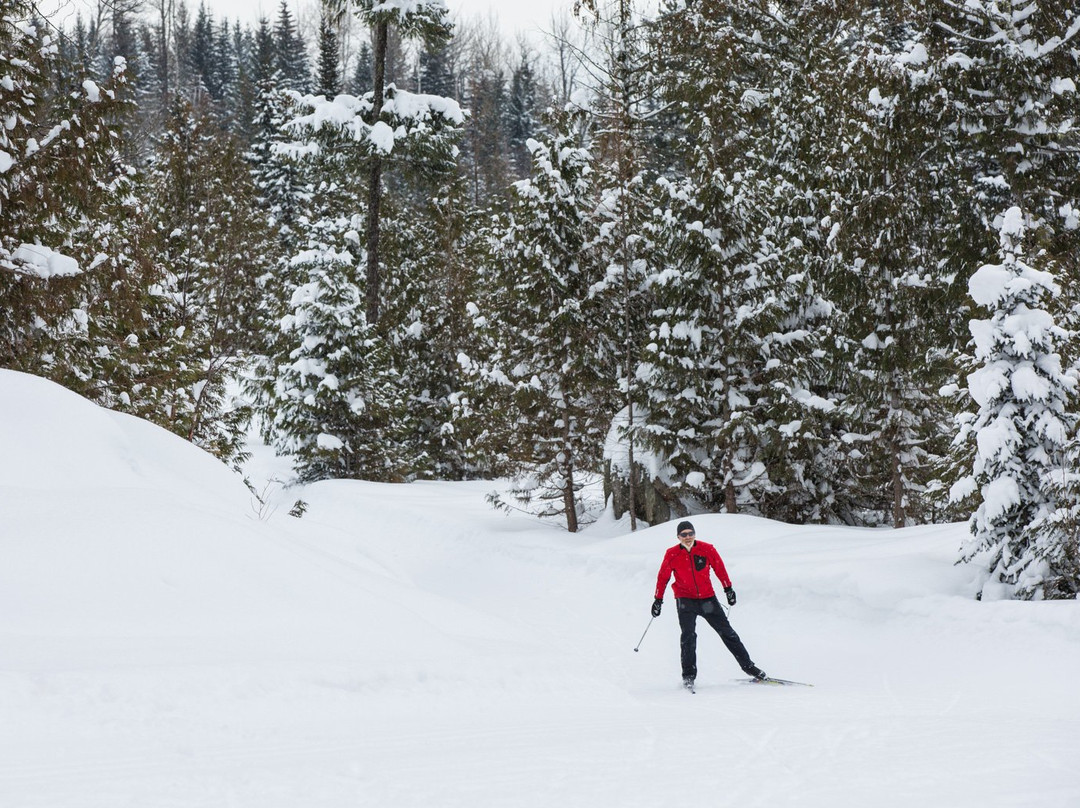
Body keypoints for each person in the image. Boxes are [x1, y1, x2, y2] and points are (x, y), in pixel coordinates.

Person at [652, 520, 766, 688]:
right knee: (688, 637)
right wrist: (658, 600)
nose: (688, 537)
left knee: (728, 633)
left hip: (707, 599)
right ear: (678, 537)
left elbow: (719, 568)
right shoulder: (672, 554)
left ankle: (749, 667)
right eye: (684, 534)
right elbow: (663, 577)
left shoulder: (707, 549)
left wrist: (728, 588)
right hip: (685, 600)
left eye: (691, 533)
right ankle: (688, 676)